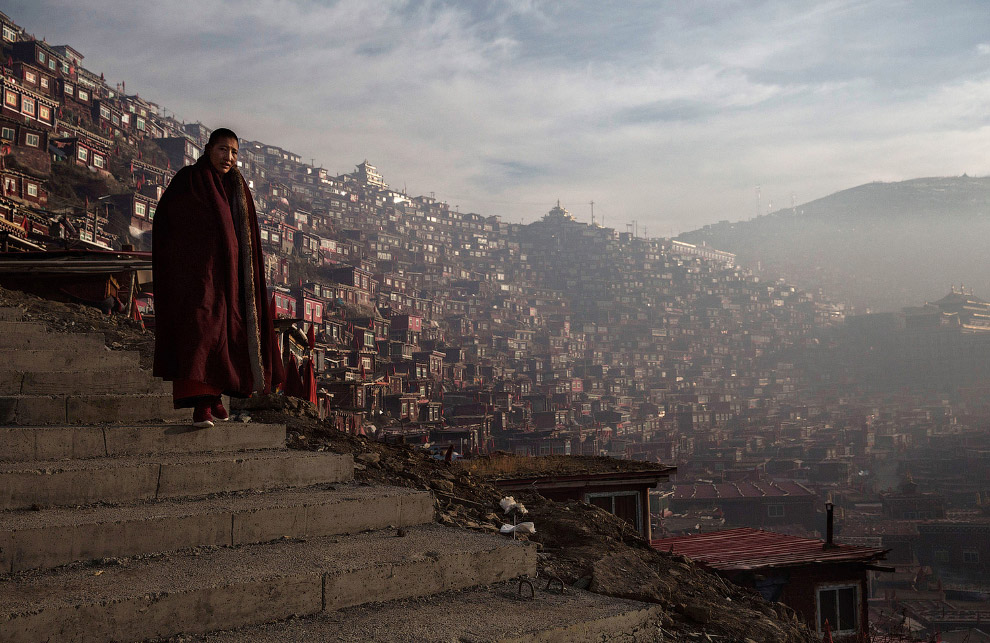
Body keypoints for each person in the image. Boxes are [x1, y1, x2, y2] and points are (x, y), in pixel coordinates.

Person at [152, 128, 284, 427]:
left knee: (227, 339)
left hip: (231, 280)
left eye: (235, 152)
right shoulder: (189, 180)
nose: (229, 157)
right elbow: (167, 220)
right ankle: (201, 406)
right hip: (197, 278)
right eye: (223, 149)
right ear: (209, 149)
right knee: (201, 335)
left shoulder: (237, 187)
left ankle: (213, 398)